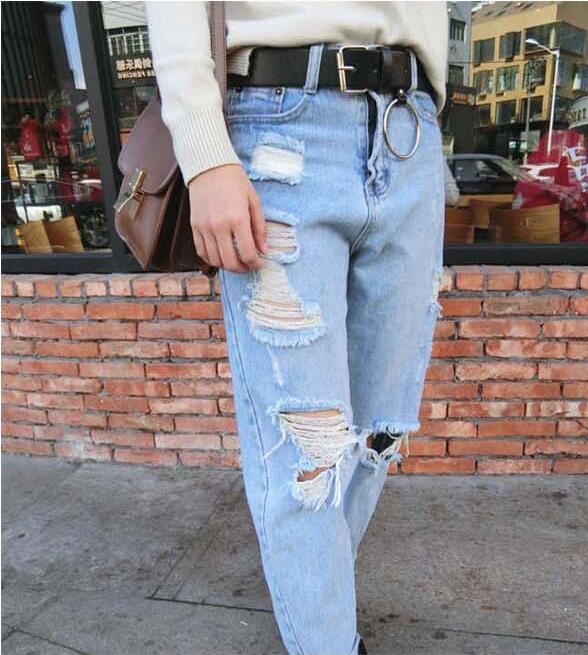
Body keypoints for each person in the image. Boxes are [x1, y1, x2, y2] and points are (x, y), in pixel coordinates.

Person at [145, 3, 447, 653]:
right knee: (304, 455)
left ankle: (312, 598)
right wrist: (205, 156)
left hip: (411, 129)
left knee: (379, 430)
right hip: (281, 124)